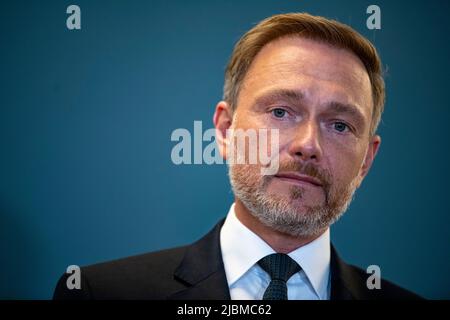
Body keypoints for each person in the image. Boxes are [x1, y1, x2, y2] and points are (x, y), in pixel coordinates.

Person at [54, 12, 421, 300]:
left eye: (340, 125)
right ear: (227, 131)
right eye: (280, 112)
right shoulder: (99, 294)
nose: (308, 145)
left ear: (366, 162)